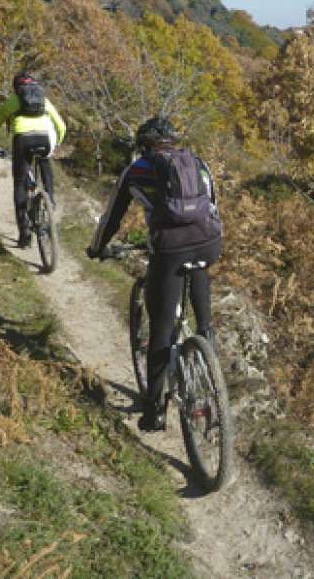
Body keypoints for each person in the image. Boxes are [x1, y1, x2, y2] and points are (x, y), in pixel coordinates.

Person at [86, 116, 222, 431]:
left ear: (143, 145)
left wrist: (97, 249)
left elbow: (112, 219)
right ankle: (206, 336)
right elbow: (213, 205)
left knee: (161, 330)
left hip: (170, 250)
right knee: (198, 265)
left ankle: (154, 412)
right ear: (174, 141)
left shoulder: (136, 171)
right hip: (210, 243)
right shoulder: (198, 164)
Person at [0, 72, 67, 247]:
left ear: (16, 88)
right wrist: (56, 143)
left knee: (20, 183)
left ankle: (24, 234)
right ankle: (50, 201)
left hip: (23, 140)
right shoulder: (44, 99)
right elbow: (61, 126)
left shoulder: (12, 101)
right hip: (44, 139)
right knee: (45, 160)